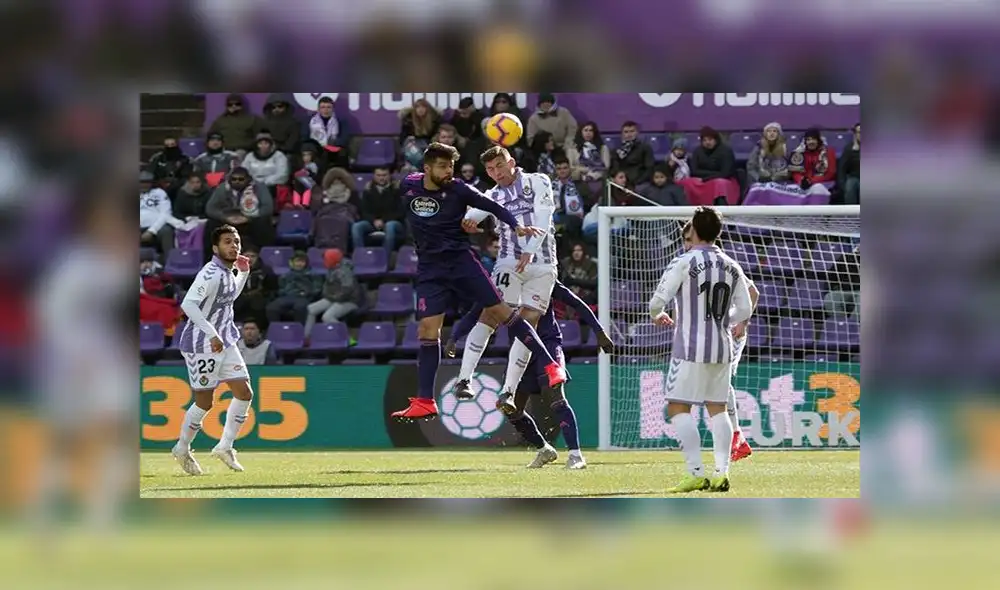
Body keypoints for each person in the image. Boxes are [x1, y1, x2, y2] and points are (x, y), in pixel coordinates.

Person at [390, 142, 565, 422]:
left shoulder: (458, 188)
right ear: (426, 169)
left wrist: (516, 225)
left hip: (461, 262)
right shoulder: (408, 185)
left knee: (500, 313)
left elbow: (492, 205)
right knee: (427, 330)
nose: (449, 171)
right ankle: (425, 400)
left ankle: (550, 366)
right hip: (430, 269)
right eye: (443, 166)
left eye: (451, 166)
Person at [447, 280, 615, 469]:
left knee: (557, 399)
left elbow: (576, 302)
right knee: (511, 407)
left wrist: (599, 331)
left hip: (548, 345)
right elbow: (476, 312)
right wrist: (454, 337)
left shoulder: (541, 278)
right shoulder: (503, 281)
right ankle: (544, 449)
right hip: (520, 350)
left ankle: (576, 456)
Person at [648, 207, 753, 493]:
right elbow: (745, 308)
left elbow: (658, 300)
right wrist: (724, 322)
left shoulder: (684, 260)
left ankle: (695, 472)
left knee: (678, 406)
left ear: (693, 229)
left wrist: (657, 314)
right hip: (722, 347)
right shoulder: (732, 265)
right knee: (718, 410)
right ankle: (721, 474)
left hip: (689, 347)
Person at [459, 145, 559, 406]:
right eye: (490, 169)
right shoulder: (491, 195)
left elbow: (545, 215)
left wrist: (530, 249)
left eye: (500, 166)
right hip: (508, 263)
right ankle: (464, 379)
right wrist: (467, 222)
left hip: (543, 265)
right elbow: (471, 217)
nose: (496, 173)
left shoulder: (538, 181)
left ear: (511, 162)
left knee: (528, 324)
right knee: (491, 314)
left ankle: (508, 392)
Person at [173, 225, 255, 475]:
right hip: (202, 345)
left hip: (225, 341)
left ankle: (225, 446)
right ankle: (182, 448)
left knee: (244, 392)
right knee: (204, 402)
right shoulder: (210, 273)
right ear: (215, 248)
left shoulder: (227, 272)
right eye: (228, 242)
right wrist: (212, 333)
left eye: (237, 241)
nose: (234, 246)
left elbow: (229, 296)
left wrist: (243, 274)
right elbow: (188, 304)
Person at [679, 221, 756, 462]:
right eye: (685, 240)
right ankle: (738, 438)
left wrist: (743, 322)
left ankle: (736, 437)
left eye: (691, 240)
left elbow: (753, 291)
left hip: (729, 330)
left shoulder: (722, 264)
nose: (687, 245)